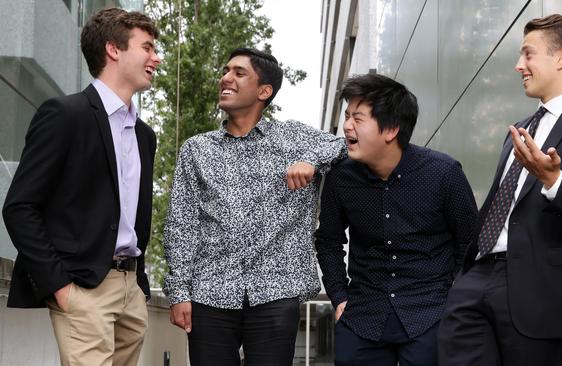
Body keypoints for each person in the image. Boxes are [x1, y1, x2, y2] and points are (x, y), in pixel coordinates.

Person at [438, 14, 562, 366]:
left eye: (528, 55)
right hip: (473, 282)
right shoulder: (520, 130)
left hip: (538, 294)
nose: (518, 65)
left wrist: (554, 181)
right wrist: (462, 278)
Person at [162, 47, 347, 365]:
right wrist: (179, 291)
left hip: (276, 292)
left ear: (264, 91)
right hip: (209, 293)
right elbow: (181, 223)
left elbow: (345, 144)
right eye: (225, 71)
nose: (225, 78)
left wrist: (312, 160)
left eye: (238, 73)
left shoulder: (293, 137)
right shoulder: (197, 149)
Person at [2, 8, 160, 366]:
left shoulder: (144, 136)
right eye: (147, 47)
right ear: (113, 50)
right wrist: (60, 287)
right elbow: (19, 207)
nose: (156, 57)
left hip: (130, 291)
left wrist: (138, 287)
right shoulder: (64, 114)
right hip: (83, 290)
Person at [315, 73, 478, 366]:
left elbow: (469, 242)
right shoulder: (340, 177)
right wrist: (339, 296)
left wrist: (454, 300)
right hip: (363, 316)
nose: (347, 126)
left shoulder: (444, 173)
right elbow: (328, 241)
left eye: (358, 118)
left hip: (430, 314)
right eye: (347, 116)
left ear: (390, 129)